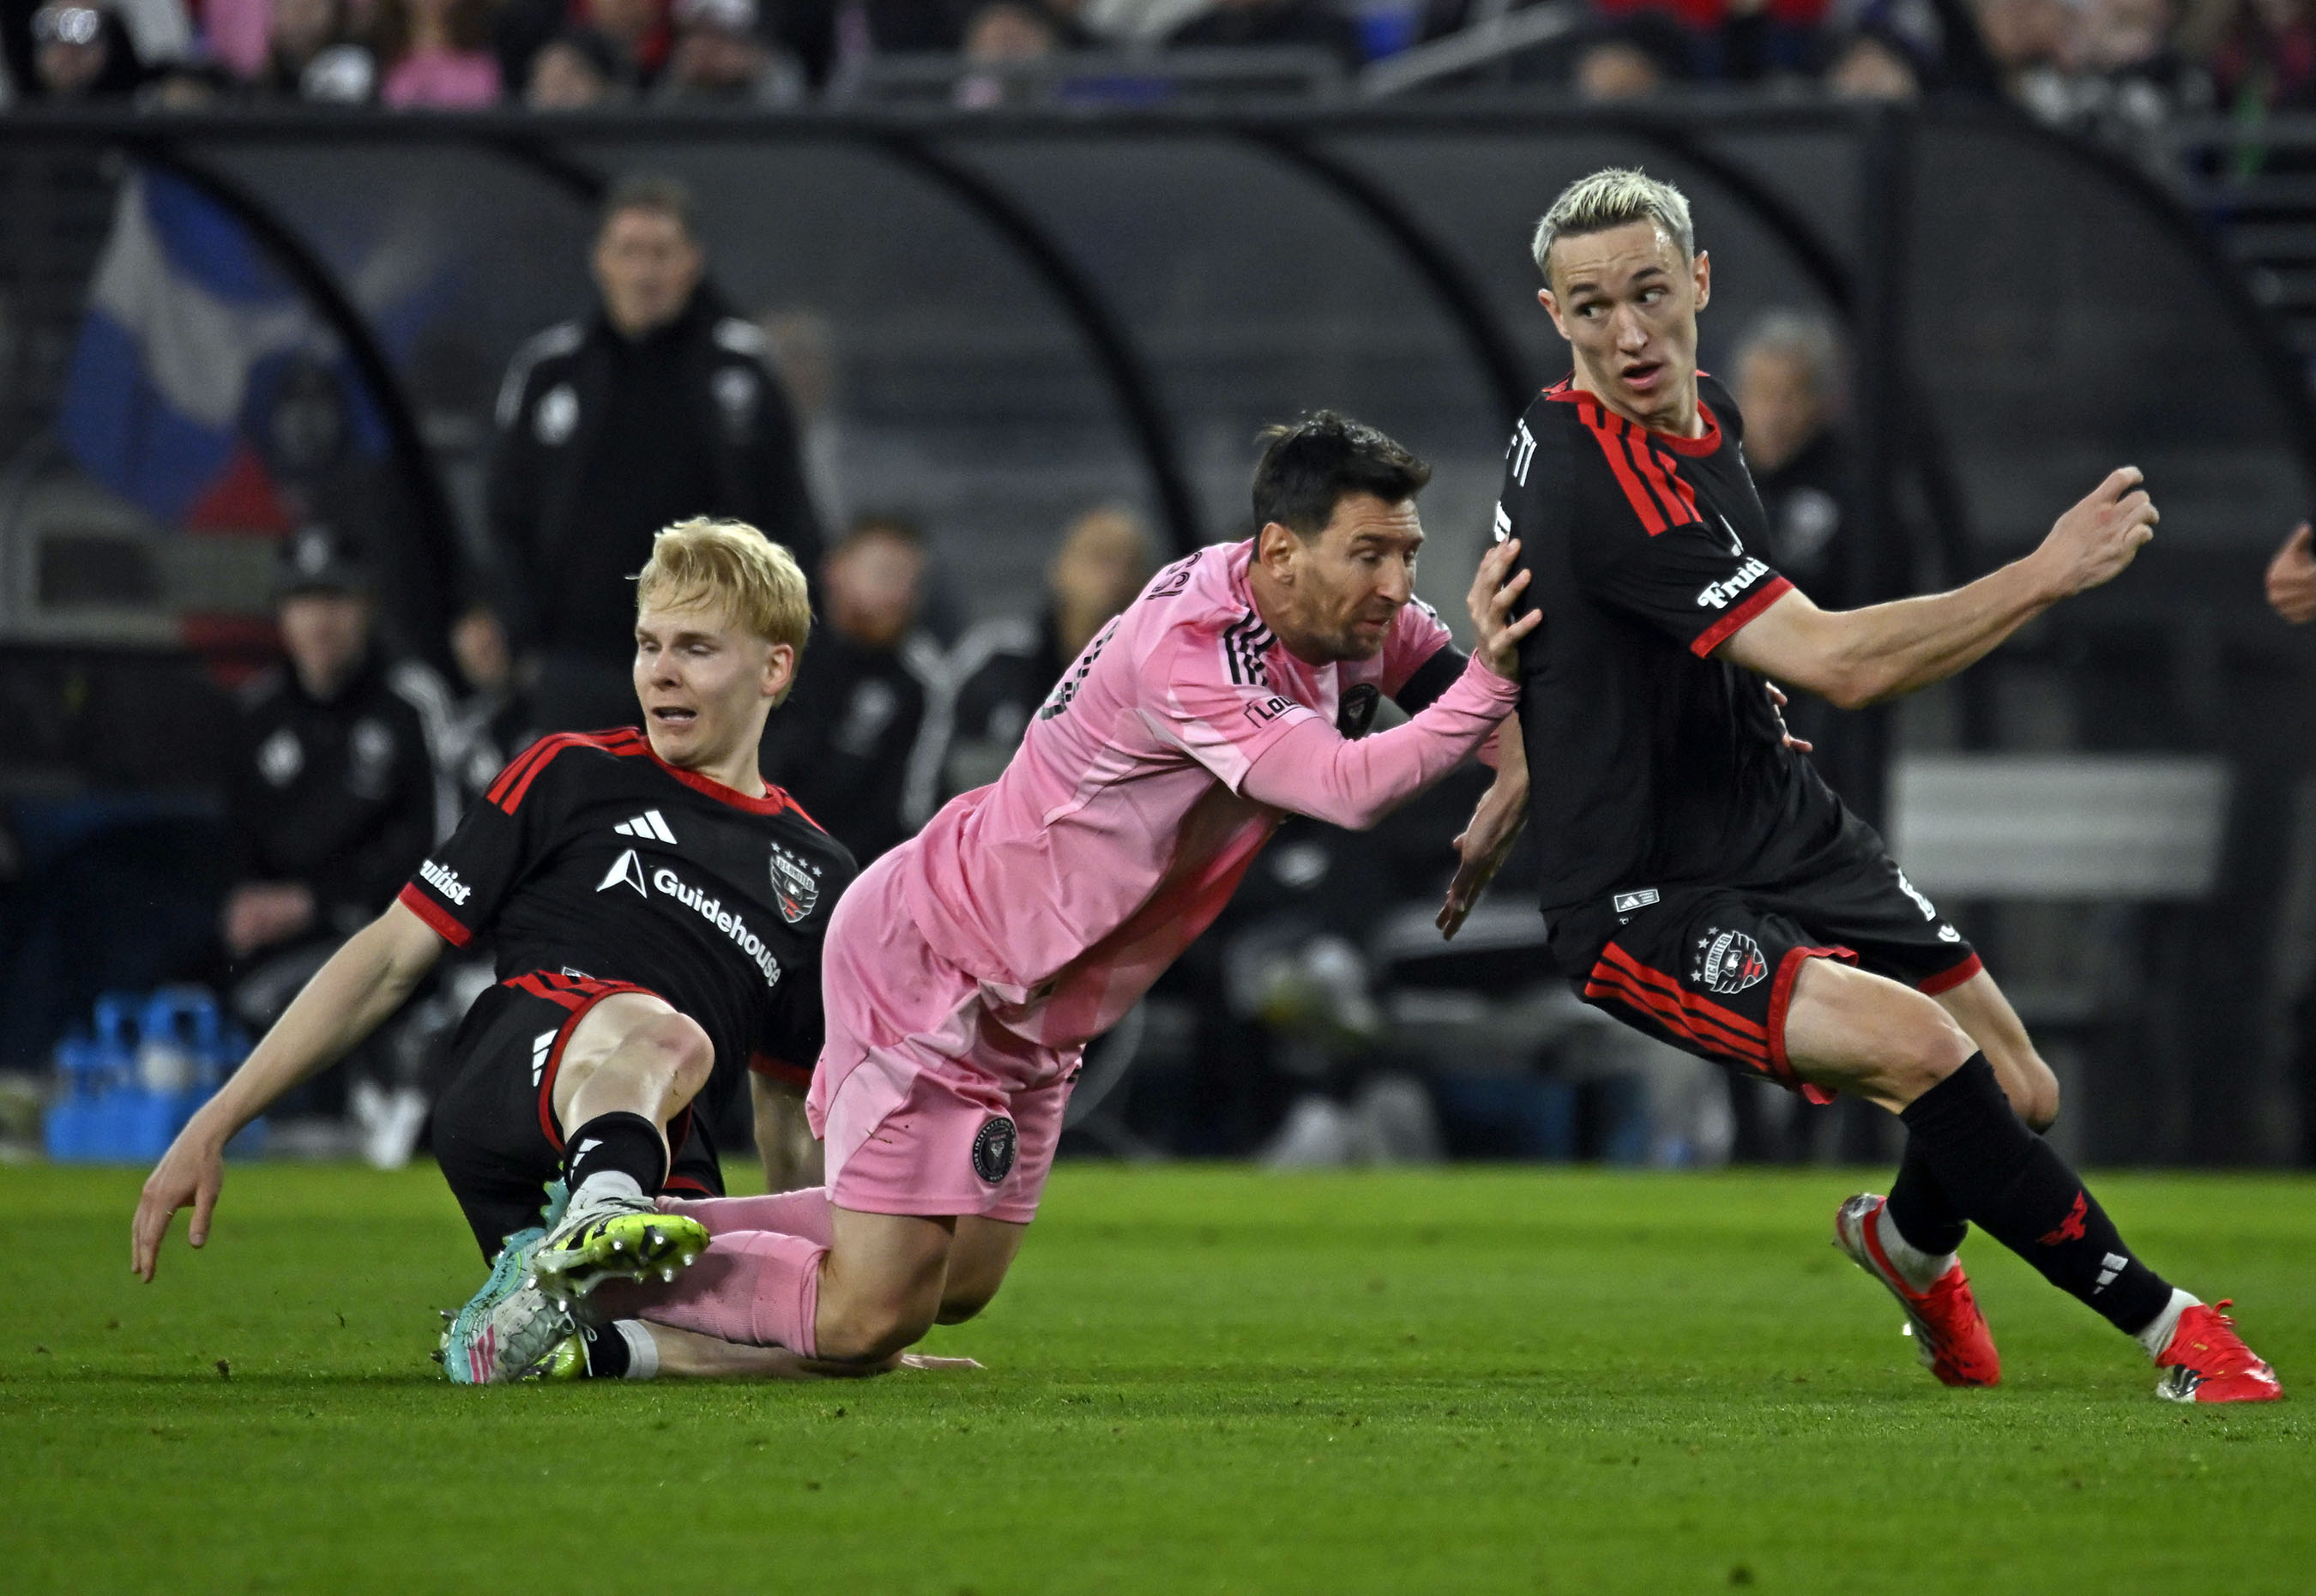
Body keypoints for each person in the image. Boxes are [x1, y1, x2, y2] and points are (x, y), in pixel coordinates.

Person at [1444, 167, 2281, 1402]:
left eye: (1649, 294)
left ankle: (1907, 1248)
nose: (1625, 333)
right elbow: (1842, 664)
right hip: (1646, 889)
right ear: (1551, 314)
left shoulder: (1710, 418)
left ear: (1703, 283)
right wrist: (2044, 574)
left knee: (2020, 1091)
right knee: (1923, 1050)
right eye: (1588, 309)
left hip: (1777, 818)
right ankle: (2175, 1332)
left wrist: (1519, 744)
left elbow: (1532, 614)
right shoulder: (1587, 470)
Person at [600, 413, 1533, 1372]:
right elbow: (1353, 785)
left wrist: (1513, 766)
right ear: (1281, 552)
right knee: (868, 1323)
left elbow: (1464, 702)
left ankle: (646, 1231)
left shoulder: (1344, 617)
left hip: (1046, 1002)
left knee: (954, 1283)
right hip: (940, 966)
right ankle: (596, 1295)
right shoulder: (1197, 647)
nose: (1397, 585)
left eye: (1408, 553)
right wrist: (1498, 686)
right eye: (1370, 554)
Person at [130, 520, 908, 1387]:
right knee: (670, 1036)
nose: (661, 670)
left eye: (696, 647)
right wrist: (216, 1118)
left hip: (660, 1140)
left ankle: (584, 1332)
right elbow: (391, 955)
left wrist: (847, 1303)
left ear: (775, 667)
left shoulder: (818, 874)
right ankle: (600, 1216)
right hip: (517, 1077)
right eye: (649, 644)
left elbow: (785, 1105)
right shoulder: (567, 773)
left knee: (824, 1351)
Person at [486, 176, 823, 733]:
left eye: (662, 253)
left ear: (692, 261)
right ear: (600, 261)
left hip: (711, 660)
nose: (645, 272)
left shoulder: (742, 370)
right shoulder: (548, 371)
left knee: (700, 817)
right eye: (629, 252)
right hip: (579, 660)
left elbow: (788, 517)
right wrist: (521, 635)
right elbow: (506, 512)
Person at [757, 514, 948, 864]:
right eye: (886, 574)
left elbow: (912, 811)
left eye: (914, 583)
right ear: (835, 570)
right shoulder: (772, 648)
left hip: (854, 874)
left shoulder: (920, 681)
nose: (901, 595)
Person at [940, 503, 1153, 798]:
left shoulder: (1153, 679)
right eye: (1100, 558)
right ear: (1059, 569)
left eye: (1130, 564)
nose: (1116, 576)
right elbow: (939, 761)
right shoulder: (996, 657)